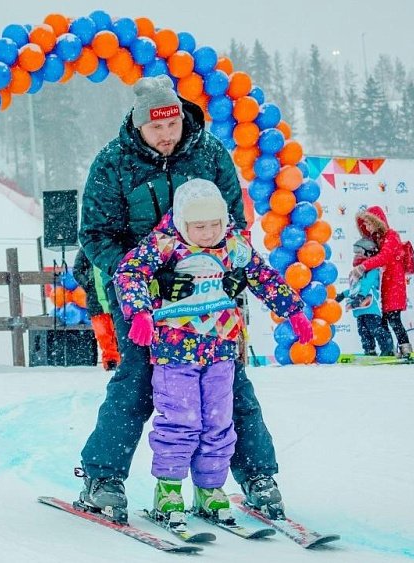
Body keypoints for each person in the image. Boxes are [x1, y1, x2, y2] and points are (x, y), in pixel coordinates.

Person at [78, 75, 286, 522]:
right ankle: (103, 477)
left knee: (228, 385)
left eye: (172, 124)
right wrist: (145, 278)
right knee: (135, 382)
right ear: (139, 126)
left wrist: (230, 273)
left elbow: (235, 224)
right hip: (143, 299)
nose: (167, 135)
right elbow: (95, 236)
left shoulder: (209, 153)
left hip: (209, 298)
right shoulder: (113, 163)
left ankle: (257, 475)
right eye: (157, 128)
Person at [112, 179, 311, 527]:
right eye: (199, 227)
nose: (207, 233)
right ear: (183, 223)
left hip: (221, 350)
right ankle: (169, 488)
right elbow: (129, 272)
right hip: (175, 351)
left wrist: (292, 310)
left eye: (214, 225)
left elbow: (263, 276)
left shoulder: (234, 245)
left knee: (219, 421)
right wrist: (139, 311)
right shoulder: (165, 245)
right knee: (180, 419)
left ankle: (210, 488)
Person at [349, 206, 411, 357]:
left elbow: (384, 257)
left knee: (394, 317)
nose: (368, 228)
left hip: (394, 283)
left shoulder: (391, 235)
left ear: (378, 222)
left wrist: (363, 266)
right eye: (366, 225)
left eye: (370, 224)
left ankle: (406, 350)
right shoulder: (378, 238)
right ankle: (388, 349)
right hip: (382, 284)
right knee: (382, 318)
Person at [342, 237, 394, 356]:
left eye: (359, 253)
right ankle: (369, 350)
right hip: (359, 308)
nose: (356, 256)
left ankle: (387, 349)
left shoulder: (372, 271)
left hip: (370, 307)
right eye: (355, 253)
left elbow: (366, 285)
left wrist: (360, 296)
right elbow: (355, 288)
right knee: (363, 331)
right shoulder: (357, 273)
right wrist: (342, 295)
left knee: (375, 329)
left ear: (369, 253)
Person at [73, 247, 120, 371]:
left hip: (114, 295)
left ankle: (121, 359)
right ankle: (111, 361)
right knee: (103, 333)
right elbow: (77, 271)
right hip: (95, 300)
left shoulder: (112, 244)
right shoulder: (86, 249)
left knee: (118, 330)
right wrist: (88, 284)